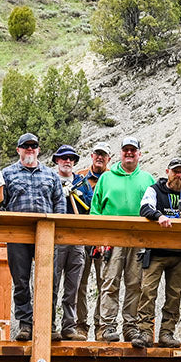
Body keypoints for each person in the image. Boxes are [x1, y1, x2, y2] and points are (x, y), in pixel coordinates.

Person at [0, 133, 66, 342]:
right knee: (20, 281)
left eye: (33, 146)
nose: (30, 149)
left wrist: (58, 230)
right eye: (25, 146)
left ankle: (48, 323)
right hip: (17, 235)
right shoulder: (7, 173)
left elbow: (60, 204)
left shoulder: (51, 175)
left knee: (49, 281)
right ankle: (26, 324)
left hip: (46, 236)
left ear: (38, 149)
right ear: (18, 149)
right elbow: (1, 204)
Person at [90, 137, 155, 342]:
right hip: (112, 239)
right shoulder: (106, 178)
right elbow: (95, 210)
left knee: (135, 283)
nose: (129, 153)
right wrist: (99, 238)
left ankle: (130, 326)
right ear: (120, 153)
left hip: (139, 239)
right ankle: (107, 326)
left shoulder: (147, 179)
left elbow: (155, 208)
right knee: (110, 282)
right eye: (126, 150)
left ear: (139, 154)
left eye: (133, 150)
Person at [136, 158, 181, 348]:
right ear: (167, 171)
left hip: (179, 253)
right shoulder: (154, 189)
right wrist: (159, 216)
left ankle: (167, 333)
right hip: (155, 251)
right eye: (175, 171)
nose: (178, 175)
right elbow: (145, 208)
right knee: (147, 292)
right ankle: (145, 332)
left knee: (174, 295)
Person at [51, 145, 89, 341]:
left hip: (77, 239)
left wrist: (80, 197)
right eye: (63, 158)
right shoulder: (50, 179)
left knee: (73, 285)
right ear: (57, 160)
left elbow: (90, 205)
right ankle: (49, 325)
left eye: (71, 158)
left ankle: (69, 326)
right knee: (52, 282)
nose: (67, 161)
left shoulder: (81, 182)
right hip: (55, 237)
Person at [72, 144, 111, 339]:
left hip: (104, 237)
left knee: (103, 282)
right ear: (92, 156)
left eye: (104, 155)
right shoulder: (79, 177)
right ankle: (80, 324)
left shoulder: (112, 178)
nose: (100, 158)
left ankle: (101, 325)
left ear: (109, 159)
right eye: (97, 154)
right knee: (79, 282)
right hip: (81, 236)